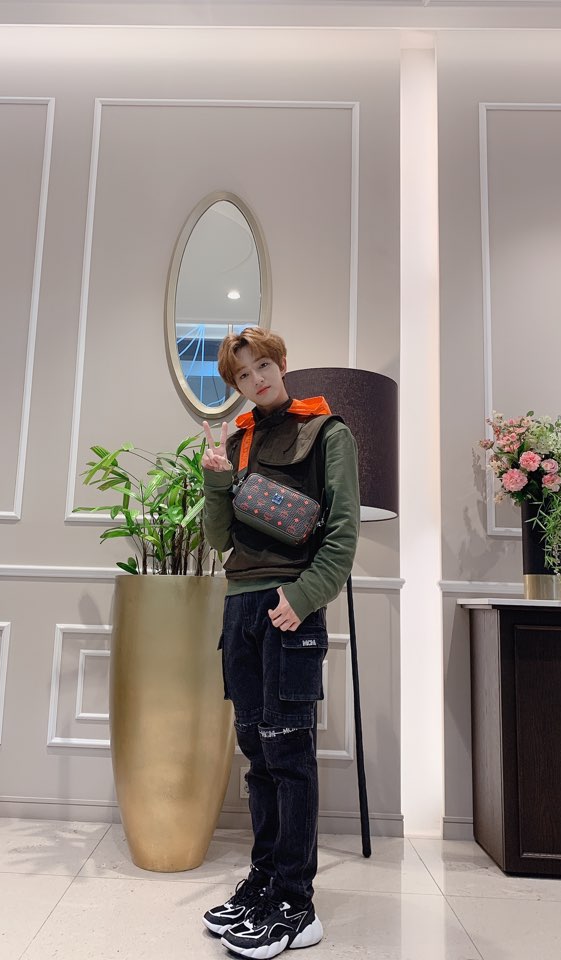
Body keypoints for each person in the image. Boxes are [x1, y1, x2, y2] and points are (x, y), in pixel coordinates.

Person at [200, 327, 360, 957]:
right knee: (258, 754)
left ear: (282, 363)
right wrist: (216, 480)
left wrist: (303, 596)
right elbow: (219, 539)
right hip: (239, 607)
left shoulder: (328, 433)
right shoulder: (237, 441)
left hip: (288, 607)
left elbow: (342, 534)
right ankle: (265, 881)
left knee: (289, 756)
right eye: (243, 374)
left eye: (263, 365)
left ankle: (297, 903)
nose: (257, 379)